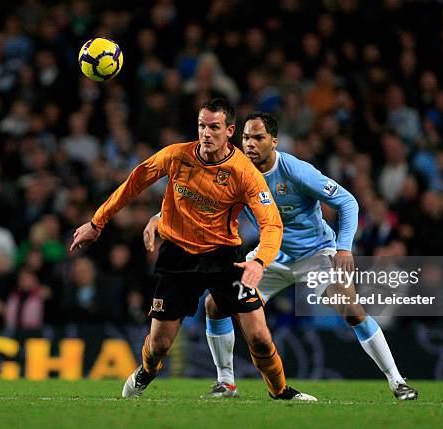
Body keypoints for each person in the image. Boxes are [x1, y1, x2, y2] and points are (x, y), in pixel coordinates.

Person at [144, 112, 418, 400]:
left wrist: (344, 247)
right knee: (215, 305)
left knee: (351, 309)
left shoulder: (296, 171)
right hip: (271, 256)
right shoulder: (236, 171)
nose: (250, 143)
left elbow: (347, 201)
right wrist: (160, 216)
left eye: (258, 137)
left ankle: (397, 381)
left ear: (273, 141)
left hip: (315, 254)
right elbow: (201, 199)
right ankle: (226, 382)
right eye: (246, 137)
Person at [70, 99, 316, 401]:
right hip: (178, 257)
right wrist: (97, 222)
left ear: (229, 131)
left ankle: (280, 391)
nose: (206, 133)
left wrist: (260, 261)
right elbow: (134, 183)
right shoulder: (176, 156)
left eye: (214, 127)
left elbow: (272, 223)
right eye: (202, 126)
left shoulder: (243, 172)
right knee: (159, 345)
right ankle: (146, 371)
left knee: (260, 337)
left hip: (225, 258)